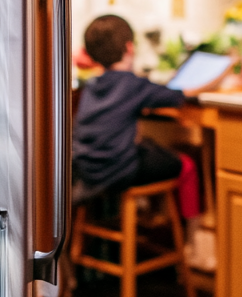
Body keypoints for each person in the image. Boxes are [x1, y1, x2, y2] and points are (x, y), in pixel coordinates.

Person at [72, 14, 223, 194]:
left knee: (148, 145)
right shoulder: (132, 84)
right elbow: (183, 94)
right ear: (129, 48)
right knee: (187, 164)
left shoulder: (92, 84)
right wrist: (225, 69)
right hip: (117, 172)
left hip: (86, 170)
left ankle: (150, 212)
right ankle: (194, 223)